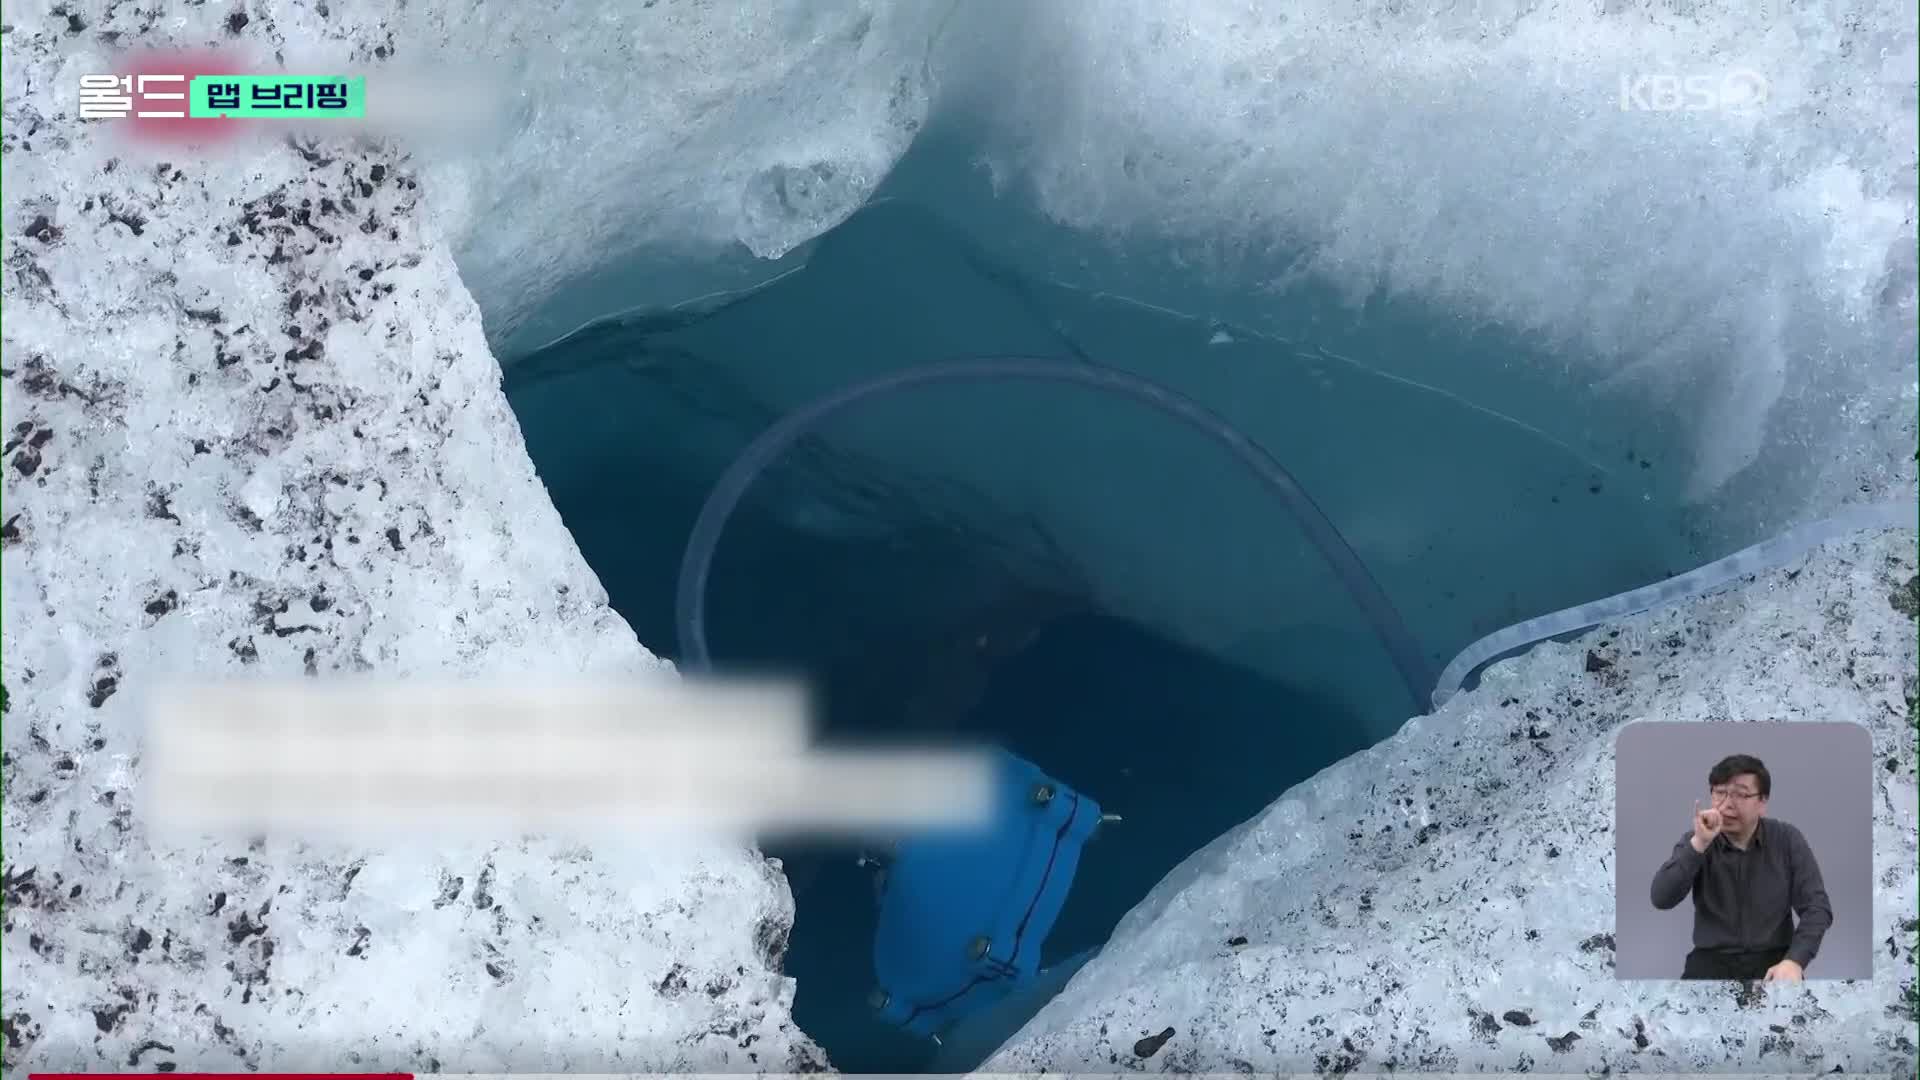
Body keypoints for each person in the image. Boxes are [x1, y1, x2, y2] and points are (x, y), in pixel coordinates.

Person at [1649, 753, 1832, 980]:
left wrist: (1795, 960)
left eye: (1740, 795)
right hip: (1710, 962)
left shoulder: (1787, 839)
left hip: (1775, 962)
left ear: (1762, 802)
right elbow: (1661, 898)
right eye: (1719, 793)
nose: (1727, 805)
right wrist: (1699, 844)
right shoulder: (1696, 840)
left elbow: (1817, 908)